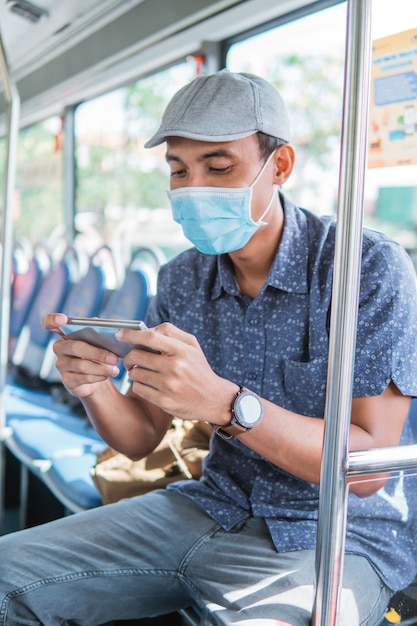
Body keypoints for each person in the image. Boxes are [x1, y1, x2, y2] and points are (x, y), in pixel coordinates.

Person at [1, 69, 417, 626]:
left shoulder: (364, 269)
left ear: (281, 166)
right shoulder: (181, 280)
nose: (194, 186)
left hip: (337, 529)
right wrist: (93, 386)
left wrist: (226, 405)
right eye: (179, 170)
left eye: (219, 167)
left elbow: (363, 470)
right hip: (207, 503)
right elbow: (140, 437)